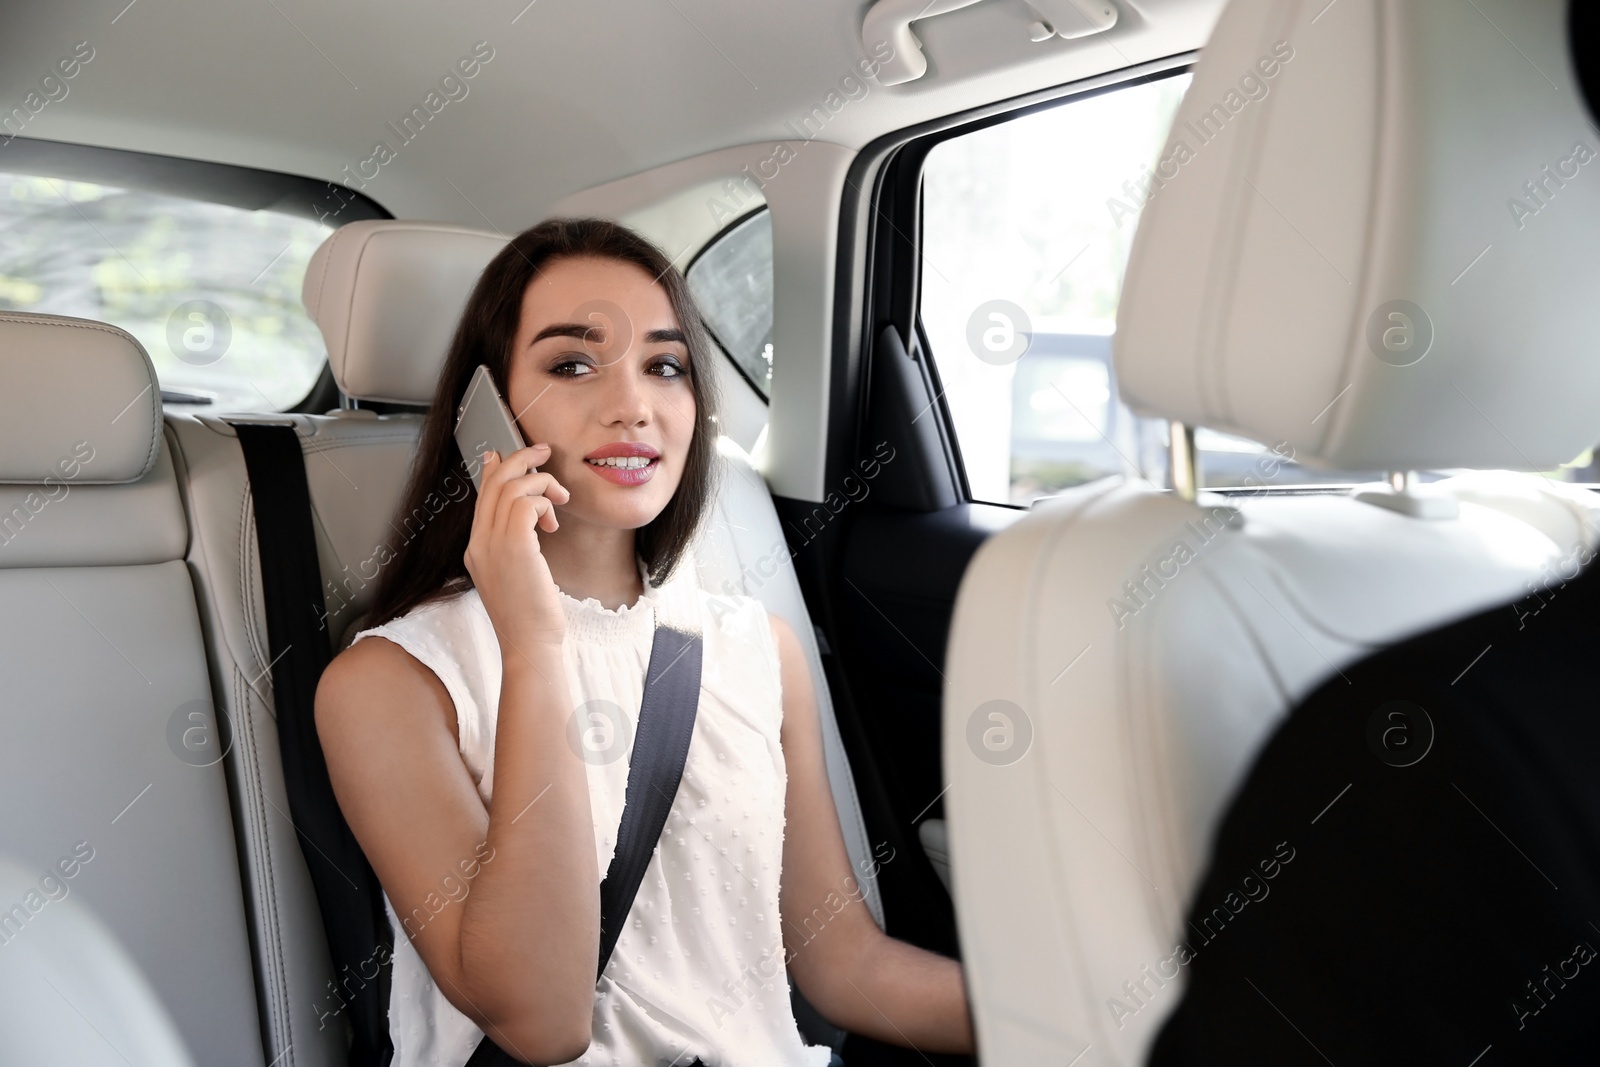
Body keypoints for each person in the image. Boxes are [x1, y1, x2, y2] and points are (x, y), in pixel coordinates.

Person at [315, 218, 973, 1067]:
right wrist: (533, 640)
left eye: (665, 366)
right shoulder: (391, 681)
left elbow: (843, 962)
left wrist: (1096, 1023)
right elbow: (543, 1020)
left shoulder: (756, 648)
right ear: (488, 414)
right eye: (572, 364)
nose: (633, 404)